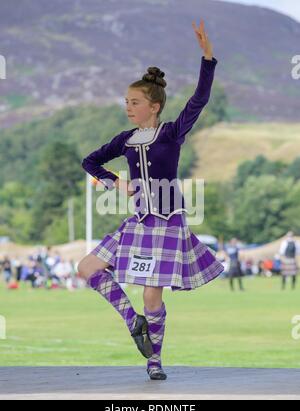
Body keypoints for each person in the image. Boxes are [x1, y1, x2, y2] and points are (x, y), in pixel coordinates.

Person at [78, 19, 224, 381]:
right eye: (127, 102)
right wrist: (115, 182)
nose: (128, 107)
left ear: (154, 106)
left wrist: (207, 57)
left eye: (135, 102)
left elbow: (200, 99)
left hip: (166, 222)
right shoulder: (126, 139)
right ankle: (133, 321)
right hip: (137, 221)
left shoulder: (172, 133)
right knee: (87, 268)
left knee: (152, 298)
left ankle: (154, 362)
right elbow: (90, 161)